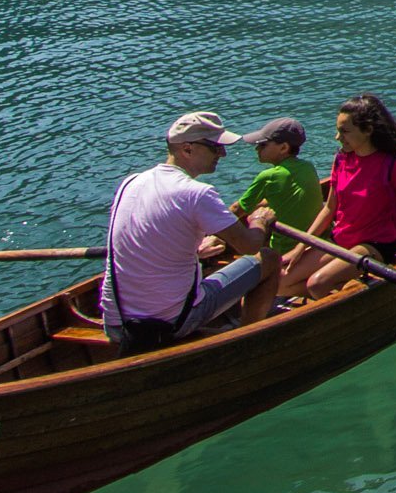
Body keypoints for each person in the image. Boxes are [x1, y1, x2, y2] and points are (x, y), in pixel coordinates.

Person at [101, 112, 270, 356]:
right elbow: (249, 246)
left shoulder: (131, 183)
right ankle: (248, 343)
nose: (222, 154)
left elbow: (156, 234)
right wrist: (260, 221)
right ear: (187, 149)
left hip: (115, 323)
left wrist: (196, 249)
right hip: (171, 323)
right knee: (268, 259)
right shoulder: (197, 193)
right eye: (215, 147)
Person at [280, 93, 396, 304]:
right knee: (281, 282)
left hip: (375, 244)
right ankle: (346, 287)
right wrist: (301, 246)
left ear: (367, 131)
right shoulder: (341, 160)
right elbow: (329, 209)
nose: (338, 138)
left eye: (345, 131)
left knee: (317, 284)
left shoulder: (394, 165)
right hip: (341, 240)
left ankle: (342, 296)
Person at [228, 118, 321, 323]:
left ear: (284, 147)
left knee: (258, 281)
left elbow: (236, 210)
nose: (256, 149)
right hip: (313, 245)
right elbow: (281, 195)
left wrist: (210, 234)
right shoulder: (308, 167)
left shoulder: (268, 176)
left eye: (262, 145)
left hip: (286, 250)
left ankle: (243, 324)